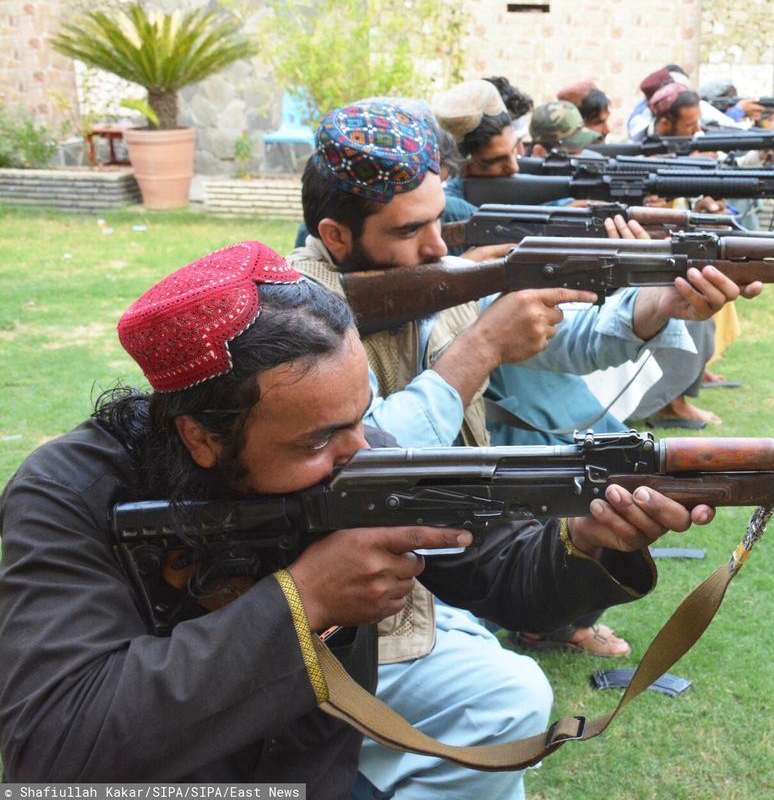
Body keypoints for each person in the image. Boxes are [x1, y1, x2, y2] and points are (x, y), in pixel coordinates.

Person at [0, 239, 717, 796]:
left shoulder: (354, 448)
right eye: (317, 440)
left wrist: (586, 545)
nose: (362, 451)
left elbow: (502, 574)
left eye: (360, 417)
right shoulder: (66, 495)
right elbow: (56, 744)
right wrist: (304, 599)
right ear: (202, 437)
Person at [290, 104, 757, 676]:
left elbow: (574, 340)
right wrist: (481, 348)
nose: (439, 248)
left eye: (438, 220)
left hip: (444, 558)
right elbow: (360, 456)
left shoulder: (439, 279)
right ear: (336, 237)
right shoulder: (297, 319)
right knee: (511, 698)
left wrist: (660, 304)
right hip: (346, 602)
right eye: (410, 230)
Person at [526, 100, 604, 156]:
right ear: (539, 152)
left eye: (581, 147)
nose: (580, 157)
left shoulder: (592, 158)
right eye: (571, 154)